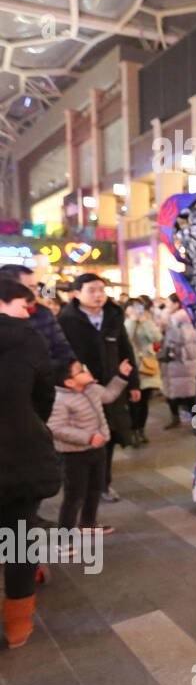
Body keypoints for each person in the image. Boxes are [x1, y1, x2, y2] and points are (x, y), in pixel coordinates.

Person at [0, 278, 60, 650]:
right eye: (24, 305)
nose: (28, 313)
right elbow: (44, 396)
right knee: (20, 539)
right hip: (19, 454)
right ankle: (17, 626)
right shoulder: (29, 339)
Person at [58, 274, 139, 503]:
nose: (98, 295)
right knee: (81, 438)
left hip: (112, 385)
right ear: (76, 294)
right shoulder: (66, 320)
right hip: (79, 389)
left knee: (109, 435)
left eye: (101, 290)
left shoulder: (113, 316)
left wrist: (133, 383)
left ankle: (103, 484)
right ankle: (78, 487)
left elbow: (126, 351)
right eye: (91, 290)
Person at [48, 357, 132, 538]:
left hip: (97, 449)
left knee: (95, 489)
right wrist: (87, 437)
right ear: (69, 382)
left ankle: (88, 523)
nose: (87, 371)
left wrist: (121, 376)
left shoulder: (92, 389)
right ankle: (65, 537)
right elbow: (56, 428)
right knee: (74, 496)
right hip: (74, 455)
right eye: (81, 371)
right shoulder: (61, 400)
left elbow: (109, 395)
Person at [0, 264, 75, 365]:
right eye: (30, 288)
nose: (35, 293)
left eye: (36, 288)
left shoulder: (44, 313)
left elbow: (63, 349)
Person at [124, 296, 162, 445]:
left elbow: (157, 338)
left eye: (138, 306)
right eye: (132, 306)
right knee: (133, 401)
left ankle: (141, 429)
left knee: (144, 401)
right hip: (131, 366)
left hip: (147, 366)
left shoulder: (147, 321)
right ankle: (132, 431)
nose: (136, 310)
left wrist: (145, 321)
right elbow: (126, 337)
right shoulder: (124, 322)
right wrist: (132, 320)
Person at [159, 297, 196, 430]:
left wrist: (169, 325)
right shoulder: (171, 319)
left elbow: (184, 338)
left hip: (184, 364)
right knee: (171, 393)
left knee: (191, 395)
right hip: (172, 361)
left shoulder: (185, 318)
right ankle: (175, 418)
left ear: (177, 304)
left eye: (169, 303)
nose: (166, 305)